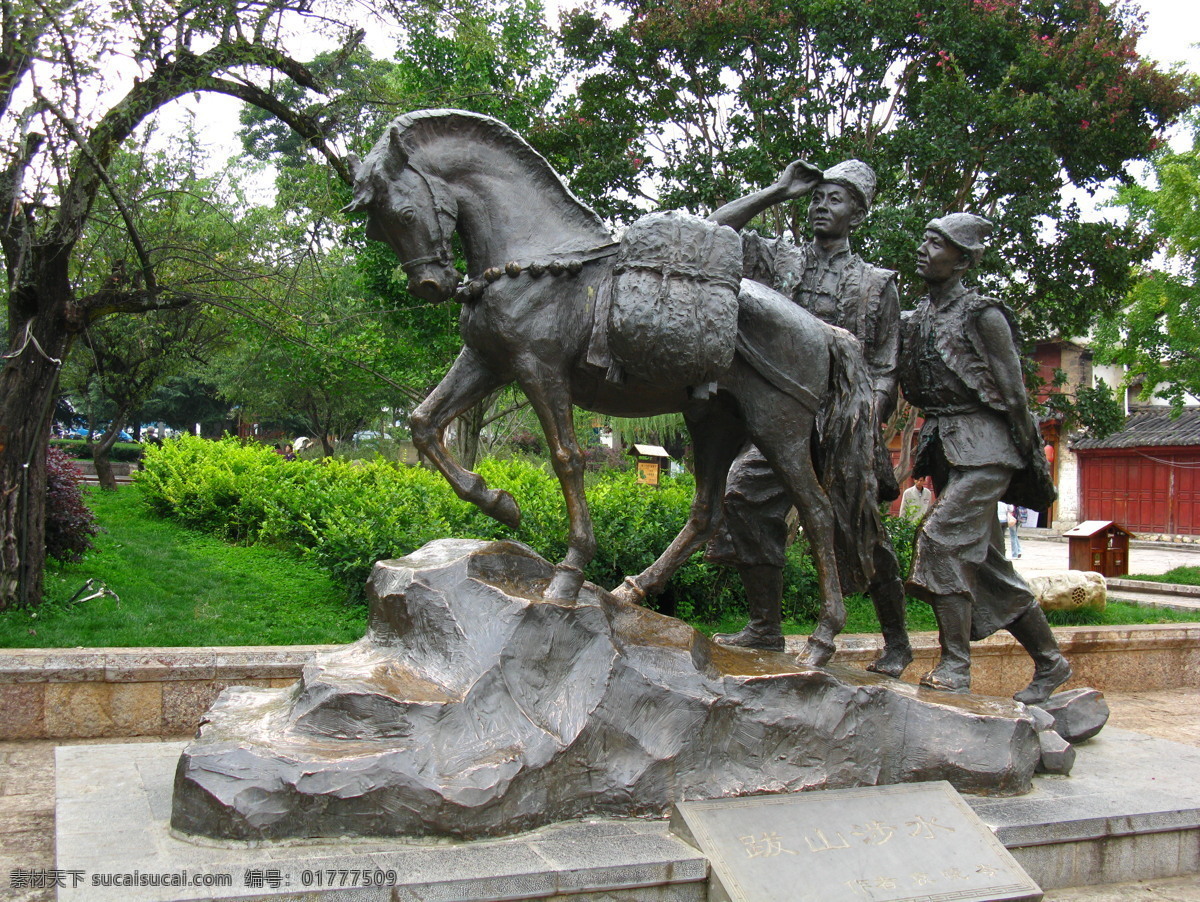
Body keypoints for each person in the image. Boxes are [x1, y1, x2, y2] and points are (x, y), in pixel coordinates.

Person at [703, 158, 912, 676]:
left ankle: (898, 642)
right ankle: (766, 627)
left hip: (844, 425)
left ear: (858, 214)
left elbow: (885, 366)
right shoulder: (780, 261)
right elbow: (712, 231)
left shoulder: (876, 284)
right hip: (780, 420)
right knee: (741, 495)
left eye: (835, 198)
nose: (821, 205)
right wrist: (776, 191)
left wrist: (862, 421)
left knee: (857, 528)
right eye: (817, 197)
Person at [897, 212, 1069, 705]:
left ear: (963, 259)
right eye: (925, 239)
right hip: (950, 449)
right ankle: (1052, 662)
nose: (925, 249)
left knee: (939, 541)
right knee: (989, 566)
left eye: (938, 243)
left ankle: (955, 665)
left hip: (988, 446)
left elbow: (1015, 393)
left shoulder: (984, 315)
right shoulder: (918, 317)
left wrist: (1030, 457)